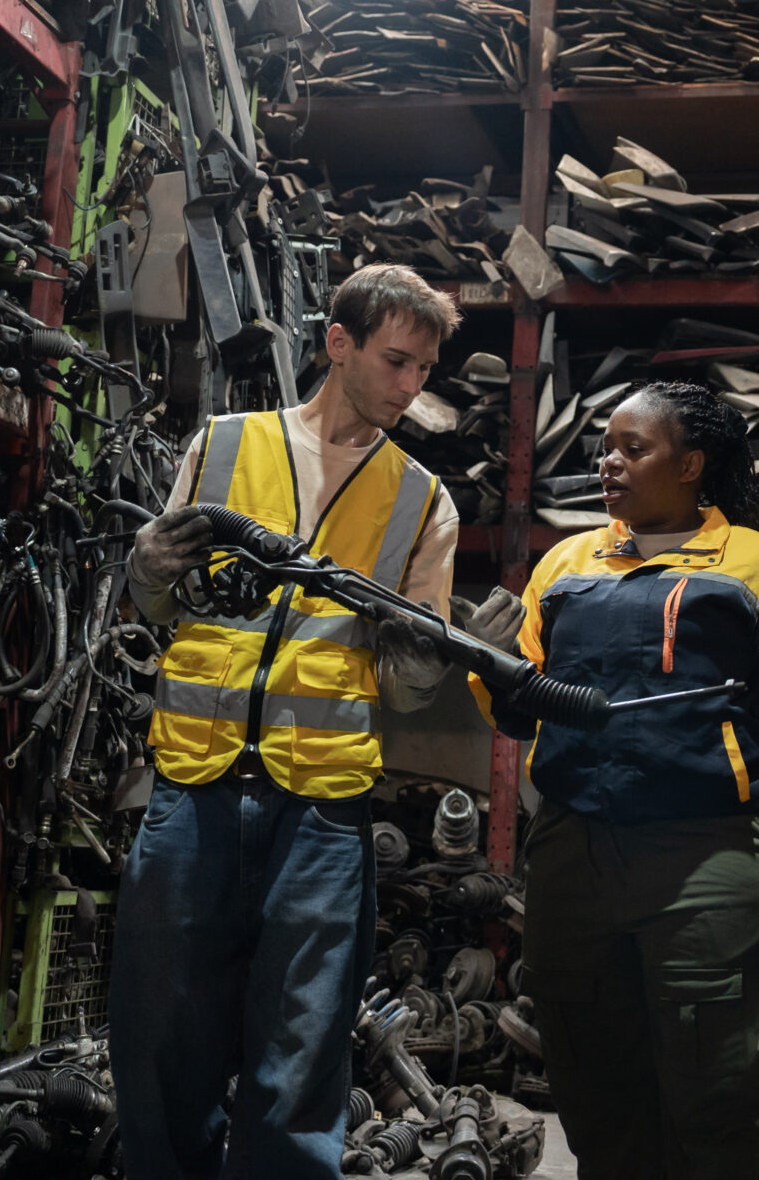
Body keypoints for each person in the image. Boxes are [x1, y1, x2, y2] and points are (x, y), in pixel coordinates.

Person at [109, 263, 520, 1180]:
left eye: (423, 370)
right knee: (163, 1034)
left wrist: (439, 656)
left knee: (301, 1051)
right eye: (397, 361)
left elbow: (407, 688)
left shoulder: (422, 501)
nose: (412, 387)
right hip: (193, 788)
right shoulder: (219, 447)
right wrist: (142, 575)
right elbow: (162, 607)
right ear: (338, 343)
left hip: (322, 809)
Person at [482, 379, 759, 1180]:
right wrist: (486, 662)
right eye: (605, 446)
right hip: (574, 853)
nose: (608, 463)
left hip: (710, 862)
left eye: (632, 448)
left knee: (717, 1096)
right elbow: (521, 716)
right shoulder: (567, 564)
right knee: (595, 1092)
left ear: (691, 463)